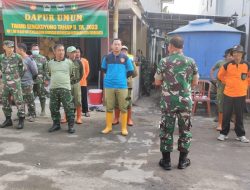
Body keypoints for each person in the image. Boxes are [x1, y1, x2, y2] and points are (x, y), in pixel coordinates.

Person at [154, 35, 199, 170]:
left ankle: (166, 162)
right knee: (185, 130)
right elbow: (195, 82)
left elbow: (157, 81)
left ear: (171, 46)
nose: (168, 48)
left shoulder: (164, 61)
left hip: (168, 102)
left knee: (166, 130)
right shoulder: (191, 61)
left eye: (168, 46)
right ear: (182, 47)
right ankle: (182, 161)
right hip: (185, 101)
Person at [217, 45, 250, 143]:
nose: (236, 55)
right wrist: (227, 82)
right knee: (226, 114)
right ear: (232, 54)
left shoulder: (247, 65)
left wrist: (245, 85)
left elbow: (249, 77)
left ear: (242, 54)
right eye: (234, 53)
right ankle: (223, 133)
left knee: (239, 115)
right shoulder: (227, 65)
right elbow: (220, 76)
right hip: (228, 93)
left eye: (238, 53)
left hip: (241, 94)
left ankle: (241, 135)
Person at [101, 38, 134, 136]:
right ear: (111, 46)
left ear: (121, 46)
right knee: (109, 107)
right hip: (109, 85)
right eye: (115, 44)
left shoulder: (126, 58)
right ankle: (108, 127)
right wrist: (111, 77)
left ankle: (124, 128)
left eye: (118, 44)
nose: (116, 46)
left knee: (123, 107)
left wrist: (122, 78)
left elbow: (131, 70)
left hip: (122, 85)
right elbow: (103, 69)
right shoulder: (106, 57)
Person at [47, 44, 75, 134]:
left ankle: (70, 126)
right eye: (59, 50)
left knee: (68, 108)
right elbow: (50, 74)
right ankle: (56, 124)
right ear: (54, 52)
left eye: (63, 50)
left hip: (65, 88)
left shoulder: (69, 62)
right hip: (54, 88)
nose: (61, 52)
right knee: (54, 107)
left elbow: (72, 74)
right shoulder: (50, 63)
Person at [0, 40, 26, 129]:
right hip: (4, 83)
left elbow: (23, 69)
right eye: (9, 47)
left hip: (15, 83)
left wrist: (17, 78)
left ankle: (21, 119)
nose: (11, 49)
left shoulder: (17, 57)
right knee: (4, 100)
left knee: (19, 101)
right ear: (4, 47)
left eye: (12, 47)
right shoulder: (1, 57)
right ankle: (8, 120)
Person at [112, 45, 138, 126]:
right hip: (117, 85)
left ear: (127, 52)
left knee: (128, 102)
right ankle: (116, 118)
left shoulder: (130, 60)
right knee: (116, 102)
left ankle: (129, 119)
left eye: (125, 51)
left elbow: (135, 73)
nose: (123, 52)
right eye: (122, 50)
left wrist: (128, 78)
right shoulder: (115, 60)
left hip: (127, 85)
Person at [210, 48, 233, 131]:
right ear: (226, 56)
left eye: (232, 55)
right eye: (229, 55)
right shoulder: (220, 62)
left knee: (232, 104)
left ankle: (232, 121)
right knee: (220, 102)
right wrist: (213, 78)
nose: (231, 57)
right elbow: (213, 69)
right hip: (221, 86)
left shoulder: (235, 64)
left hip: (232, 87)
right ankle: (219, 123)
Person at [61, 46, 84, 124]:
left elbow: (81, 73)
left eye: (74, 52)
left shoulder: (79, 62)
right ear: (67, 53)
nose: (73, 54)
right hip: (67, 84)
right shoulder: (64, 62)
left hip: (76, 84)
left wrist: (77, 81)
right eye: (71, 53)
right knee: (66, 100)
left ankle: (79, 117)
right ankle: (65, 117)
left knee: (78, 101)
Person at [16, 43, 38, 122]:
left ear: (21, 50)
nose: (16, 50)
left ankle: (32, 114)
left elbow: (35, 71)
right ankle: (21, 115)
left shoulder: (29, 59)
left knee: (30, 100)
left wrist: (30, 79)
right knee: (20, 100)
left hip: (27, 83)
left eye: (17, 49)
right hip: (18, 83)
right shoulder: (17, 59)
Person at [30, 44, 49, 116]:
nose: (35, 51)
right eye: (34, 49)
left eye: (36, 49)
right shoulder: (29, 58)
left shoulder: (43, 58)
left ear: (39, 50)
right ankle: (31, 111)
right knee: (30, 97)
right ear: (31, 50)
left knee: (42, 96)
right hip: (30, 81)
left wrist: (47, 80)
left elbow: (46, 70)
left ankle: (43, 110)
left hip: (40, 81)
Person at [76, 47, 90, 117]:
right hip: (74, 83)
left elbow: (87, 71)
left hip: (83, 83)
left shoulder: (85, 61)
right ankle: (74, 111)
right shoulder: (71, 61)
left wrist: (84, 78)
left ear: (80, 53)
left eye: (78, 52)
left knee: (84, 97)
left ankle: (86, 111)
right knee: (74, 98)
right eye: (75, 52)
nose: (77, 53)